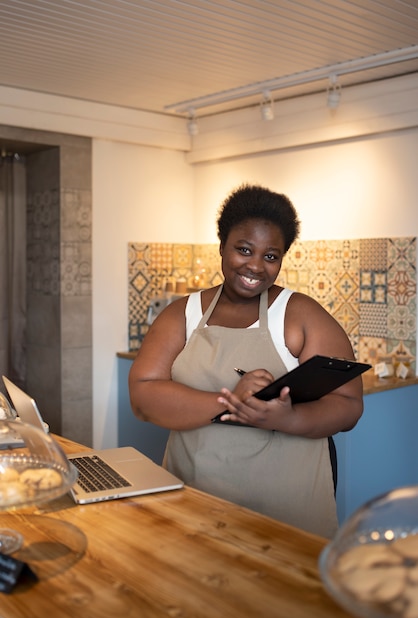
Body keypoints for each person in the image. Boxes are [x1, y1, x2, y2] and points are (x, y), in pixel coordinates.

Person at [128, 184, 364, 538]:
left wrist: (289, 417)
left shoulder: (300, 314)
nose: (255, 265)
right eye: (243, 250)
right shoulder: (183, 314)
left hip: (287, 508)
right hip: (195, 495)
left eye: (271, 256)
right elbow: (143, 397)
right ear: (222, 246)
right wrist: (230, 402)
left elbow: (348, 405)